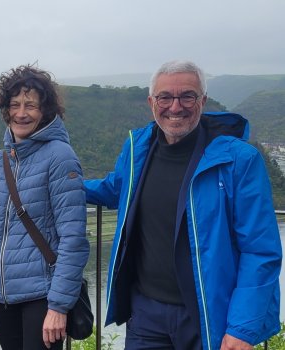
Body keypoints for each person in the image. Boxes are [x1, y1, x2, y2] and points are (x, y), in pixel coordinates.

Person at [85, 60, 282, 350]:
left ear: (202, 100)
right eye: (165, 97)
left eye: (187, 96)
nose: (175, 107)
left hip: (208, 315)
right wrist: (61, 185)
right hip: (145, 314)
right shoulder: (138, 147)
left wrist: (242, 328)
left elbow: (259, 249)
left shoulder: (239, 160)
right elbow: (117, 188)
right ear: (151, 102)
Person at [0, 65, 89, 350]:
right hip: (1, 297)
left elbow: (73, 239)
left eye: (30, 105)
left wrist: (59, 306)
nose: (21, 113)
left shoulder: (60, 157)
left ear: (45, 111)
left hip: (42, 297)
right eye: (14, 105)